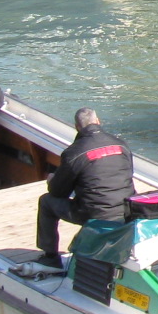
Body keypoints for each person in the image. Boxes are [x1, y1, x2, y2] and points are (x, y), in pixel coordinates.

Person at [36, 107, 133, 268]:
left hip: (94, 213)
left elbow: (58, 191)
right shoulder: (121, 144)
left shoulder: (74, 152)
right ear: (98, 121)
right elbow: (128, 173)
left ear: (77, 127)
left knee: (46, 202)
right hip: (127, 210)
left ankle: (50, 257)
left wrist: (52, 179)